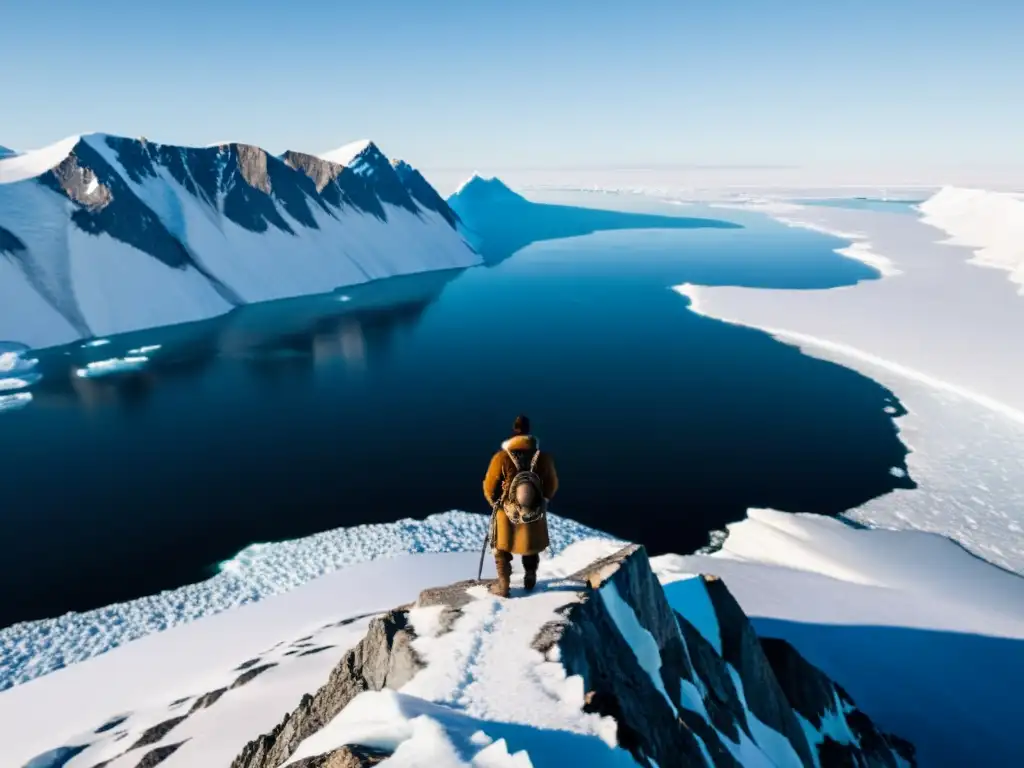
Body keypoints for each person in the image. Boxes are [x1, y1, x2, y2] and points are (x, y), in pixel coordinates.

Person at [482, 414, 559, 597]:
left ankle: (504, 585)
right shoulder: (543, 457)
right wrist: (543, 501)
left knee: (501, 547)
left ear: (513, 432)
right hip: (534, 510)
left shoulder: (502, 457)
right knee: (530, 545)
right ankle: (530, 576)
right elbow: (552, 484)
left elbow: (489, 487)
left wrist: (497, 504)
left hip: (506, 512)